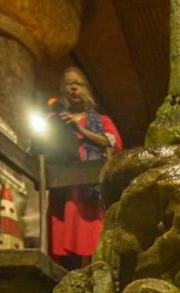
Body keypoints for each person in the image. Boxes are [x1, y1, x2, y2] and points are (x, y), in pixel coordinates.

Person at [47, 67, 122, 270]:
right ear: (62, 90)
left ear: (87, 91)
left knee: (92, 241)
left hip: (90, 192)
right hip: (63, 192)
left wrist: (79, 128)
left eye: (77, 84)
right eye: (68, 84)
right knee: (64, 244)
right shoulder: (54, 120)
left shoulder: (102, 121)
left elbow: (113, 144)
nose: (73, 88)